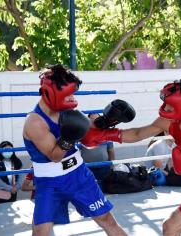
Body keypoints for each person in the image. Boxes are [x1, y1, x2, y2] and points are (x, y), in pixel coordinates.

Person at [82, 78, 181, 236]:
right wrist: (106, 135)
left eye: (171, 105)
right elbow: (138, 133)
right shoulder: (168, 122)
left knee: (171, 226)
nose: (165, 107)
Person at [23, 64, 126, 236]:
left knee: (107, 220)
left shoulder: (66, 110)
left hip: (78, 176)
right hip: (49, 183)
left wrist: (106, 122)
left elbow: (88, 138)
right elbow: (55, 156)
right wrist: (70, 136)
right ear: (51, 92)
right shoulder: (35, 122)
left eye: (72, 93)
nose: (71, 98)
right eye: (67, 94)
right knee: (41, 231)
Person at [81, 114, 116, 187]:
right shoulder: (82, 133)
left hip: (104, 167)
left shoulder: (106, 132)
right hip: (88, 167)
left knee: (106, 187)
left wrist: (112, 165)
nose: (95, 121)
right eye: (92, 119)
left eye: (97, 119)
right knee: (90, 188)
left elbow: (111, 150)